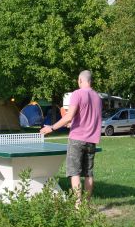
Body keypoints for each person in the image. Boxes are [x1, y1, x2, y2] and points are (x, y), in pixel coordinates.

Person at [40, 70, 102, 205]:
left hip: (77, 140)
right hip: (91, 140)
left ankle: (78, 204)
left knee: (75, 173)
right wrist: (72, 123)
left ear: (80, 80)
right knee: (88, 173)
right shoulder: (97, 97)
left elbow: (69, 115)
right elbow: (88, 117)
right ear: (90, 81)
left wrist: (51, 128)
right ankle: (87, 203)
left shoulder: (77, 93)